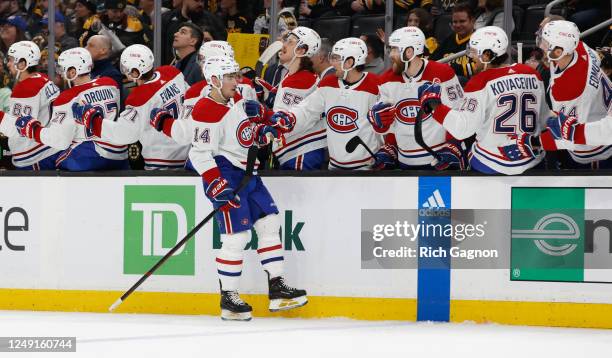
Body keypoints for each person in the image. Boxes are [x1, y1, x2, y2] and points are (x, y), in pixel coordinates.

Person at [150, 55, 308, 321]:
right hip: (227, 175)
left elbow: (244, 135)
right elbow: (199, 154)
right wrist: (215, 182)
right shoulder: (205, 111)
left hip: (249, 173)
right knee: (237, 238)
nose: (237, 80)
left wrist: (268, 127)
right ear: (214, 80)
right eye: (230, 76)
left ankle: (277, 288)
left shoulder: (235, 101)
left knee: (269, 223)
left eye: (236, 75)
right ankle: (229, 298)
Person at [418, 26, 549, 175]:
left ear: (487, 55)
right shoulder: (532, 74)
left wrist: (435, 106)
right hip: (532, 161)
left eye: (474, 52)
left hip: (491, 164)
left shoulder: (480, 82)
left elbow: (463, 129)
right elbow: (544, 120)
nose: (470, 57)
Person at [272, 37, 383, 170]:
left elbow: (387, 122)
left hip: (366, 168)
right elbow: (308, 110)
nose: (332, 62)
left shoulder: (376, 85)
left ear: (350, 62)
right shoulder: (327, 83)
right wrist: (290, 118)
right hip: (334, 168)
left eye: (336, 58)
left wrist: (387, 147)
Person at [75, 44, 190, 170]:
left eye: (127, 69)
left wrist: (92, 119)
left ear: (135, 72)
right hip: (188, 152)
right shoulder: (172, 72)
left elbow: (123, 134)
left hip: (163, 161)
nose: (126, 73)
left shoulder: (139, 98)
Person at [14, 47, 126, 171]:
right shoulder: (110, 84)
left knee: (55, 162)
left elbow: (59, 140)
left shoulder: (68, 97)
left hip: (91, 155)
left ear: (73, 72)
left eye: (62, 69)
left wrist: (33, 130)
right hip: (120, 152)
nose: (61, 74)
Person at [373, 26, 465, 171]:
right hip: (405, 163)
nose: (390, 55)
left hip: (439, 161)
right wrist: (388, 141)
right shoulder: (385, 80)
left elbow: (460, 112)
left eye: (395, 50)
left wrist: (454, 143)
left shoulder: (442, 73)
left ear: (409, 52)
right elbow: (389, 125)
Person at [527, 21, 612, 168]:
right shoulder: (579, 47)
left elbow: (568, 134)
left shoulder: (569, 91)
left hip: (595, 152)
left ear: (558, 51)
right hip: (600, 111)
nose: (541, 45)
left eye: (545, 43)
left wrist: (535, 142)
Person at [261, 26, 327, 170]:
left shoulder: (301, 79)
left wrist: (262, 112)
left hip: (301, 151)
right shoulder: (296, 76)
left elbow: (283, 122)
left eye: (290, 42)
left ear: (301, 50)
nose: (283, 45)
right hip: (299, 151)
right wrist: (270, 97)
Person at [0, 41, 61, 170]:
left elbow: (17, 128)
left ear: (22, 64)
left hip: (35, 156)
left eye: (11, 60)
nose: (8, 64)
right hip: (50, 148)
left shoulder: (26, 88)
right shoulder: (43, 79)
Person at [161, 0, 227, 65]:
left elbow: (221, 50)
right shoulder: (167, 19)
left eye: (202, 1)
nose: (200, 4)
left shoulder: (213, 21)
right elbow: (160, 48)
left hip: (202, 69)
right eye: (197, 0)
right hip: (172, 69)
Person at [430, 3, 477, 82]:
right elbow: (432, 62)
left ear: (472, 21)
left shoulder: (480, 40)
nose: (458, 25)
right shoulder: (449, 38)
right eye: (455, 22)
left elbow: (480, 68)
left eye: (462, 21)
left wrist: (450, 67)